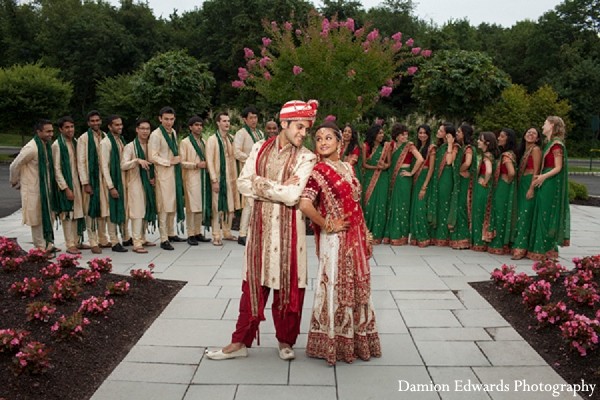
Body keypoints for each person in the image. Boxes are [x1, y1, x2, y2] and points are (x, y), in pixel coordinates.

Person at [205, 99, 318, 361]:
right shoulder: (259, 147)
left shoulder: (306, 157)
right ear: (284, 123)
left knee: (289, 288)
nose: (303, 133)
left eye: (306, 129)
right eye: (299, 127)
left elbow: (292, 195)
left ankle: (285, 341)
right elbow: (243, 183)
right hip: (259, 232)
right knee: (253, 286)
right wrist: (270, 184)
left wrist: (260, 184)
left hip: (290, 234)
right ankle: (240, 342)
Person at [299, 121, 381, 365]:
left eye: (328, 138)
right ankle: (333, 341)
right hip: (335, 240)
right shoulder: (318, 171)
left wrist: (365, 231)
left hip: (355, 236)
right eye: (319, 138)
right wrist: (327, 224)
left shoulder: (348, 167)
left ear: (340, 142)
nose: (323, 142)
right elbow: (305, 204)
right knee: (335, 286)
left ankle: (356, 341)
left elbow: (356, 204)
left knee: (357, 287)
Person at [10, 120, 59, 256]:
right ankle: (40, 248)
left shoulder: (46, 146)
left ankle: (49, 244)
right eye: (48, 131)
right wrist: (15, 181)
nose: (51, 134)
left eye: (52, 131)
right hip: (34, 189)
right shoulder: (32, 148)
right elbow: (15, 165)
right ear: (38, 132)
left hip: (46, 188)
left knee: (48, 216)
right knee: (37, 218)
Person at [527, 116, 570, 260]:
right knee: (541, 212)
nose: (543, 125)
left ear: (552, 125)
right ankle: (541, 248)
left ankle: (546, 249)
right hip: (545, 180)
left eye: (545, 123)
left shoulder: (557, 145)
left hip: (550, 181)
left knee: (546, 213)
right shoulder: (550, 143)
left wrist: (543, 177)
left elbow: (558, 167)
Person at [148, 106, 185, 250]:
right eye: (166, 119)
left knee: (173, 204)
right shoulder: (156, 135)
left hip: (174, 174)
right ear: (160, 119)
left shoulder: (173, 132)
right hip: (162, 174)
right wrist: (169, 162)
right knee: (163, 206)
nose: (169, 122)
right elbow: (152, 156)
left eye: (171, 119)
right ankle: (163, 238)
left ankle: (170, 233)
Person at [121, 118, 157, 253]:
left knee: (146, 209)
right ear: (137, 130)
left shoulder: (151, 146)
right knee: (137, 211)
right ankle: (136, 243)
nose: (145, 131)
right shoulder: (130, 147)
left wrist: (153, 178)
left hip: (149, 183)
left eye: (147, 129)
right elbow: (123, 165)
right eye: (142, 128)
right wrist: (136, 161)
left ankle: (142, 237)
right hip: (135, 182)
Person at [383, 124, 423, 245]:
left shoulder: (409, 146)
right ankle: (392, 234)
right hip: (394, 178)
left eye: (406, 134)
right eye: (402, 135)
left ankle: (401, 235)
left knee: (402, 205)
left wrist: (411, 173)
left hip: (403, 177)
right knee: (393, 205)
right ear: (396, 136)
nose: (404, 137)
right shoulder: (392, 146)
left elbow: (420, 159)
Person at [52, 116, 86, 255]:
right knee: (68, 214)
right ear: (60, 129)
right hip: (66, 185)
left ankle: (77, 241)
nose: (70, 129)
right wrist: (65, 188)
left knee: (77, 213)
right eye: (67, 127)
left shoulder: (75, 142)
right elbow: (57, 169)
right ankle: (70, 244)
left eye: (72, 126)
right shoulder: (57, 145)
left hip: (77, 183)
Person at [77, 110, 110, 254]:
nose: (95, 123)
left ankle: (103, 239)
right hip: (91, 180)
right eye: (92, 121)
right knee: (91, 212)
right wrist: (86, 182)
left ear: (101, 121)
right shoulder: (84, 138)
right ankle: (93, 241)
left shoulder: (105, 136)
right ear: (88, 123)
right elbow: (81, 162)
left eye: (97, 120)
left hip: (103, 179)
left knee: (103, 210)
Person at [206, 112, 241, 246]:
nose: (227, 123)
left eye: (228, 121)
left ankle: (227, 232)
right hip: (219, 178)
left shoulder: (231, 138)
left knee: (229, 206)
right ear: (218, 123)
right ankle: (216, 235)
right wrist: (214, 180)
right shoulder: (212, 140)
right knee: (217, 207)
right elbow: (209, 160)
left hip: (231, 177)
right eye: (224, 121)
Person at [234, 106, 264, 246]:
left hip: (258, 172)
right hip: (247, 171)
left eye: (255, 117)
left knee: (256, 202)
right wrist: (251, 159)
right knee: (248, 203)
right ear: (245, 119)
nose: (253, 120)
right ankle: (242, 234)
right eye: (251, 118)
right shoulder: (241, 134)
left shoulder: (259, 133)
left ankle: (253, 232)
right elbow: (237, 152)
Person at [179, 116, 211, 246]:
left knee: (200, 206)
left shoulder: (204, 141)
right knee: (192, 206)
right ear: (190, 127)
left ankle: (198, 232)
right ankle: (190, 234)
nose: (199, 127)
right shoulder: (185, 142)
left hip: (203, 177)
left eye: (200, 125)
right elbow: (181, 162)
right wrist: (196, 165)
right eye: (196, 125)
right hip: (191, 177)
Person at [511, 127, 542, 259]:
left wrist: (531, 188)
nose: (530, 134)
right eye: (528, 132)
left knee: (525, 215)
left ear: (537, 138)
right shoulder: (524, 150)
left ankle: (521, 248)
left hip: (529, 183)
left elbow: (536, 171)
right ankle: (520, 245)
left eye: (534, 133)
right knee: (520, 214)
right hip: (522, 183)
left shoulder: (535, 150)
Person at [100, 115, 130, 253]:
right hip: (112, 182)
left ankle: (126, 237)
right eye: (116, 125)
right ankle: (114, 241)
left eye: (120, 124)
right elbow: (104, 166)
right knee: (112, 211)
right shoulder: (105, 143)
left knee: (123, 209)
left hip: (123, 180)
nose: (120, 127)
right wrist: (111, 186)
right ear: (109, 127)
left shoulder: (120, 140)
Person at [487, 128, 517, 255]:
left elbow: (511, 173)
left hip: (503, 188)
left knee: (500, 213)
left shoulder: (506, 155)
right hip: (503, 187)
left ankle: (499, 243)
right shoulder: (508, 153)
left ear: (508, 139)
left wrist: (506, 182)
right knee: (502, 213)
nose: (499, 138)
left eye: (502, 136)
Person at [448, 123, 476, 250]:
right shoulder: (461, 147)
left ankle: (463, 239)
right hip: (460, 181)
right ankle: (458, 239)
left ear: (464, 133)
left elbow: (468, 162)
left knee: (462, 208)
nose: (457, 134)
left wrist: (461, 169)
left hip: (464, 182)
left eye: (459, 132)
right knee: (459, 208)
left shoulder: (468, 148)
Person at [361, 124, 391, 243]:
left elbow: (389, 163)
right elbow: (364, 164)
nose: (382, 135)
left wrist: (384, 166)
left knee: (381, 204)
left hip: (382, 178)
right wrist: (375, 167)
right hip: (369, 176)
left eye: (382, 133)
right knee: (369, 204)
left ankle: (378, 235)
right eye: (379, 133)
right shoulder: (365, 146)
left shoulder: (386, 146)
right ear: (373, 134)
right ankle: (367, 233)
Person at [429, 123, 458, 246]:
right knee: (438, 204)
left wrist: (450, 144)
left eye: (441, 130)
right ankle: (436, 236)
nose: (438, 131)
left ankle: (444, 236)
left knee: (444, 204)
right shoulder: (440, 147)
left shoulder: (454, 147)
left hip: (446, 179)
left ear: (448, 134)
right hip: (438, 179)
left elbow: (449, 161)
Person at [471, 132, 499, 252]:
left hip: (483, 188)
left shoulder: (487, 156)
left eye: (480, 140)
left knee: (479, 212)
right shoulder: (490, 155)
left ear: (487, 143)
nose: (478, 141)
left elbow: (488, 171)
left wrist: (485, 181)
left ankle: (479, 243)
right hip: (486, 188)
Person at [410, 124, 436, 247]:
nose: (422, 135)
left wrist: (424, 187)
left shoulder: (431, 148)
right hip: (417, 180)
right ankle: (416, 237)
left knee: (421, 208)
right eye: (420, 133)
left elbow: (431, 169)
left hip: (425, 180)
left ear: (429, 134)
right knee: (416, 208)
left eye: (424, 133)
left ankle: (424, 237)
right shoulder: (419, 148)